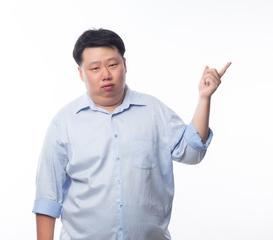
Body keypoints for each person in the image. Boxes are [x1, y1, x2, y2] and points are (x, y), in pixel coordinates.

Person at [32, 28, 231, 240]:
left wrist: (204, 98)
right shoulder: (64, 123)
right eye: (95, 68)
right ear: (81, 73)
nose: (106, 74)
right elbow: (47, 196)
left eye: (112, 64)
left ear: (125, 65)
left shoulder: (153, 111)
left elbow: (192, 153)